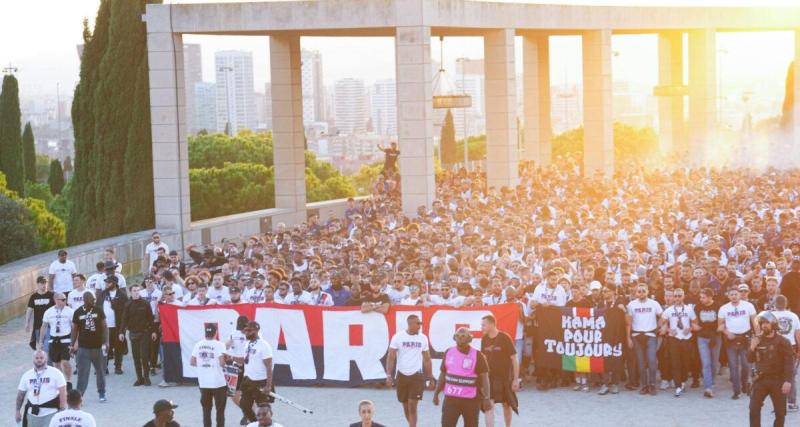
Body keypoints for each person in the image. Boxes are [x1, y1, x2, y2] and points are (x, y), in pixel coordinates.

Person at [433, 327, 491, 427]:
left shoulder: (477, 355)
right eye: (458, 336)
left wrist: (487, 398)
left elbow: (485, 378)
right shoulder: (449, 352)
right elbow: (443, 374)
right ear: (454, 338)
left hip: (471, 400)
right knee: (446, 424)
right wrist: (436, 393)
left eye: (463, 336)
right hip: (451, 398)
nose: (460, 338)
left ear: (469, 339)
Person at [748, 311, 796, 427]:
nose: (764, 325)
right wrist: (752, 347)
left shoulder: (783, 341)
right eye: (762, 323)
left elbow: (789, 363)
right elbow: (749, 359)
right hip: (761, 379)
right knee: (753, 409)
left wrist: (788, 381)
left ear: (773, 324)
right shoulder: (757, 340)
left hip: (778, 380)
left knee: (780, 413)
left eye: (767, 323)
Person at [385, 314, 434, 427]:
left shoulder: (423, 338)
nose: (419, 326)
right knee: (405, 406)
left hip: (416, 375)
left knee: (412, 406)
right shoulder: (398, 337)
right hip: (401, 375)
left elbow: (427, 359)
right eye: (417, 324)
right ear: (410, 324)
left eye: (420, 324)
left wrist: (430, 377)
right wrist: (388, 375)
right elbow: (391, 356)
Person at [718, 287, 758, 399]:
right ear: (728, 296)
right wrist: (726, 332)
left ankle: (744, 384)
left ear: (739, 295)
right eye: (731, 294)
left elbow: (755, 322)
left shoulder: (748, 306)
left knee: (746, 365)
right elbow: (720, 326)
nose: (734, 296)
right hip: (731, 339)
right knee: (733, 365)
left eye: (736, 294)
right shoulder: (723, 308)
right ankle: (736, 391)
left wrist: (758, 336)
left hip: (745, 337)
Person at [480, 314, 519, 427]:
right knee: (489, 405)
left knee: (506, 405)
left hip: (505, 378)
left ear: (492, 324)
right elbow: (483, 359)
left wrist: (516, 379)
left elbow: (514, 359)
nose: (481, 327)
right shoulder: (484, 339)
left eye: (484, 325)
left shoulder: (505, 337)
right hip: (489, 378)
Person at [70, 291, 108, 402]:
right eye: (90, 299)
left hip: (98, 347)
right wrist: (72, 345)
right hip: (83, 348)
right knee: (82, 373)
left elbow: (105, 327)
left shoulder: (98, 310)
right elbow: (75, 330)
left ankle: (102, 393)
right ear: (85, 300)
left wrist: (106, 342)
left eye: (93, 299)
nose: (92, 301)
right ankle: (79, 396)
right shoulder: (78, 312)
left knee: (100, 371)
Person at [659, 288, 696, 397]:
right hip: (673, 338)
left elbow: (695, 323)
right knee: (675, 362)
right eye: (675, 296)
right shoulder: (669, 310)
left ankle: (683, 381)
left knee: (685, 362)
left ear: (683, 296)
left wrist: (689, 329)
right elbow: (660, 323)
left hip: (686, 338)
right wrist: (669, 329)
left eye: (680, 296)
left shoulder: (689, 309)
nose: (677, 298)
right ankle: (678, 386)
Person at [626, 284, 663, 395]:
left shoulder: (654, 303)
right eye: (639, 291)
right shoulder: (632, 305)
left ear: (647, 291)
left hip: (651, 334)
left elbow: (662, 315)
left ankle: (652, 385)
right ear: (636, 293)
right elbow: (628, 322)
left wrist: (658, 326)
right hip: (637, 336)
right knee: (641, 363)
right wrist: (629, 338)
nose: (641, 293)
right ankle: (644, 385)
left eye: (643, 291)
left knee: (652, 361)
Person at [15, 350, 67, 427]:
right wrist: (17, 411)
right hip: (32, 413)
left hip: (51, 413)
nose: (39, 360)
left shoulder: (56, 373)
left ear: (46, 359)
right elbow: (20, 395)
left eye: (41, 358)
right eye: (37, 358)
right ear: (33, 360)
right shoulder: (26, 375)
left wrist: (62, 411)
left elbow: (63, 392)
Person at [191, 323, 228, 427]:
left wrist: (204, 364)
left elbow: (192, 362)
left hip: (203, 382)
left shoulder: (198, 344)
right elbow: (222, 363)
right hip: (218, 383)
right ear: (216, 332)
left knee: (206, 410)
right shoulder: (220, 344)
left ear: (205, 333)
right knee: (220, 411)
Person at [120, 283, 157, 386]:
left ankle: (146, 378)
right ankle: (139, 378)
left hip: (144, 332)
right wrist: (121, 332)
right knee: (136, 357)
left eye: (138, 291)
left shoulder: (145, 303)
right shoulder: (128, 304)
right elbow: (124, 319)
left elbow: (150, 318)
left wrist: (153, 331)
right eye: (134, 291)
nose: (136, 293)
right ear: (130, 292)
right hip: (133, 333)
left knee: (144, 357)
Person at [239, 321, 274, 425]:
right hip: (248, 380)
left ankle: (267, 424)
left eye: (249, 331)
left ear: (256, 330)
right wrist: (231, 358)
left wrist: (268, 386)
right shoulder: (248, 344)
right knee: (244, 406)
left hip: (260, 382)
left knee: (264, 410)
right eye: (245, 331)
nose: (246, 333)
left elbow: (269, 367)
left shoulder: (264, 345)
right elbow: (246, 360)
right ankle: (255, 423)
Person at [38, 292, 74, 390]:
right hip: (54, 340)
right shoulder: (49, 312)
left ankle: (68, 381)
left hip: (65, 339)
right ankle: (61, 383)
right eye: (62, 299)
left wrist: (74, 341)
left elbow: (74, 327)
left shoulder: (70, 311)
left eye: (65, 299)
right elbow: (44, 326)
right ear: (55, 300)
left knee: (65, 362)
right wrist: (41, 341)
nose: (64, 301)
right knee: (56, 364)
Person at [772, 295, 800, 411]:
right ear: (786, 303)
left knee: (775, 375)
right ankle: (792, 402)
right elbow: (797, 335)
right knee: (790, 375)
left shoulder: (770, 315)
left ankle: (778, 403)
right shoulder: (793, 316)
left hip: (774, 347)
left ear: (774, 303)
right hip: (790, 347)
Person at [97, 275, 128, 374]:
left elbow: (126, 312)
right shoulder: (102, 294)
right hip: (105, 326)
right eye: (106, 282)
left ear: (114, 283)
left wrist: (123, 328)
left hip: (117, 326)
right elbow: (97, 308)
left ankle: (118, 366)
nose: (106, 284)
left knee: (118, 347)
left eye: (109, 282)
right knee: (104, 347)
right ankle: (104, 367)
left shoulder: (122, 295)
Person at [694, 288, 722, 398]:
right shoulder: (698, 307)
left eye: (703, 297)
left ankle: (712, 381)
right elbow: (695, 324)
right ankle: (708, 387)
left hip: (716, 336)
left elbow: (721, 323)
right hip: (702, 337)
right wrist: (701, 329)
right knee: (706, 362)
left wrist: (714, 333)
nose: (701, 299)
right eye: (700, 297)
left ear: (710, 297)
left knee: (714, 362)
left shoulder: (718, 306)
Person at [26, 276, 54, 351]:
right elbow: (29, 310)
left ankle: (48, 361)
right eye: (42, 283)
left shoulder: (51, 295)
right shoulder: (33, 297)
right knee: (41, 346)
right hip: (38, 326)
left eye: (45, 283)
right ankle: (46, 361)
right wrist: (27, 323)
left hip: (50, 326)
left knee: (48, 346)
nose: (44, 285)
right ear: (37, 284)